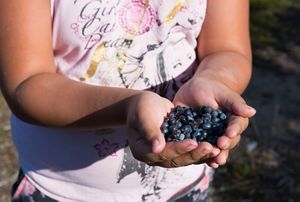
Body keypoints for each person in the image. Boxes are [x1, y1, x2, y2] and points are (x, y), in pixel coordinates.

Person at [0, 0, 256, 201]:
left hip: (182, 186)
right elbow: (27, 83)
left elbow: (227, 50)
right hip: (62, 188)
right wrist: (128, 107)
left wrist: (215, 80)